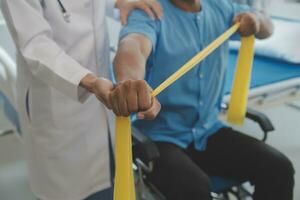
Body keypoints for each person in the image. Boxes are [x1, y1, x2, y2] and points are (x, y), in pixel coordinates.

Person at [112, 0, 295, 199]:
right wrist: (130, 82)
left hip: (207, 132)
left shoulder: (220, 7)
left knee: (279, 168)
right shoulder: (151, 12)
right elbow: (133, 46)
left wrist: (256, 21)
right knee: (193, 189)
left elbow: (267, 27)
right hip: (161, 139)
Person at [0, 0, 162, 200]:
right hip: (58, 103)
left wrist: (118, 3)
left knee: (113, 181)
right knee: (74, 190)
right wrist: (90, 82)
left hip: (103, 102)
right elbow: (35, 45)